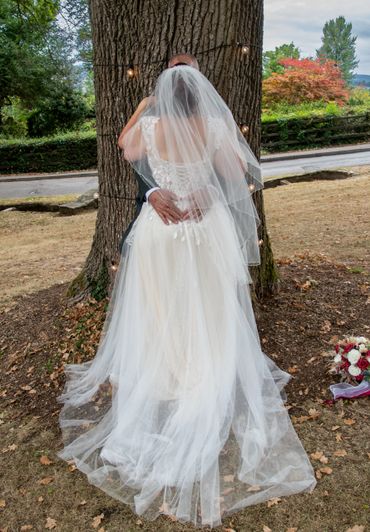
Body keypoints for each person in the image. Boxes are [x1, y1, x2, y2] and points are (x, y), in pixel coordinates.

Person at [57, 55, 316, 528]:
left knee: (164, 307)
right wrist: (209, 193)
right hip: (204, 229)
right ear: (200, 89)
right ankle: (208, 368)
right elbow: (239, 178)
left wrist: (142, 106)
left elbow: (123, 145)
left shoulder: (151, 127)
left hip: (160, 233)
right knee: (211, 304)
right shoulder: (216, 127)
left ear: (163, 92)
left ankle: (172, 371)